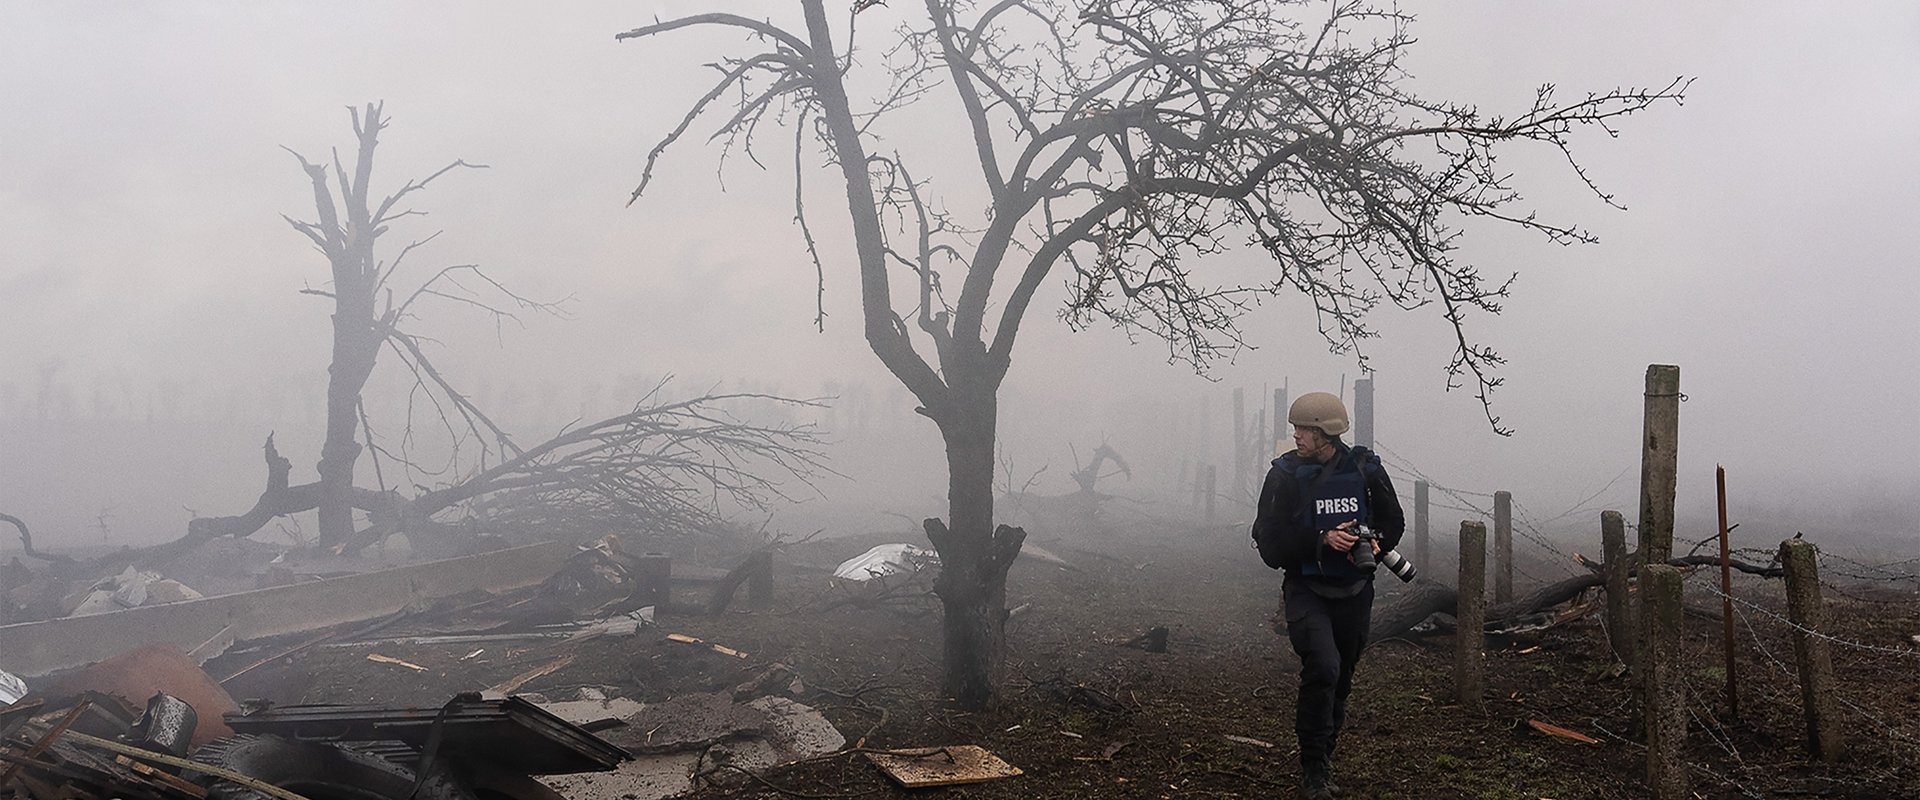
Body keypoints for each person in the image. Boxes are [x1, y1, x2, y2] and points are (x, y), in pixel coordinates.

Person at [1250, 391, 1405, 799]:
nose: (1296, 436)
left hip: (1355, 589)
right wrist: (1320, 539)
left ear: (1327, 433)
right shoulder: (1282, 476)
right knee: (1323, 667)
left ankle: (1325, 754)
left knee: (1342, 677)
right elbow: (1268, 544)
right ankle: (1313, 769)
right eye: (1296, 428)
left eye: (1305, 429)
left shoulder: (1365, 469)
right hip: (1306, 589)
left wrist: (1376, 543)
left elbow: (1393, 520)